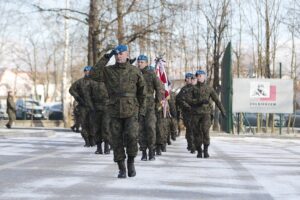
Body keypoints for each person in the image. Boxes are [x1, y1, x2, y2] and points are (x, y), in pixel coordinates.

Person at [93, 45, 146, 178]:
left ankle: (131, 162)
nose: (119, 56)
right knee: (116, 140)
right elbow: (94, 74)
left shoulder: (135, 71)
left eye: (121, 53)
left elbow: (142, 92)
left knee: (132, 137)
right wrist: (106, 57)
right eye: (116, 54)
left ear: (127, 55)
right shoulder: (108, 71)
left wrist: (142, 111)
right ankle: (121, 168)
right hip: (114, 110)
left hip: (131, 109)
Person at [183, 70, 226, 158]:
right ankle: (199, 150)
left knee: (205, 130)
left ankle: (205, 150)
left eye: (200, 76)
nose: (198, 77)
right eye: (197, 76)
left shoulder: (209, 88)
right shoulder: (193, 89)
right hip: (195, 114)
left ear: (204, 77)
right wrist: (198, 102)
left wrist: (223, 111)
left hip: (206, 113)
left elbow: (217, 100)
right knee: (197, 132)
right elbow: (188, 100)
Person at [137, 54, 162, 161]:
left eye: (142, 62)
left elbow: (160, 88)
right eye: (138, 62)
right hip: (138, 105)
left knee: (150, 127)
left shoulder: (152, 74)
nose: (139, 64)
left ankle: (151, 151)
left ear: (146, 63)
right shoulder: (135, 74)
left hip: (150, 106)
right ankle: (143, 151)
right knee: (140, 129)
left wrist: (158, 103)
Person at [69, 66, 95, 147]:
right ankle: (87, 141)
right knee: (84, 124)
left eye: (89, 71)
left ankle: (92, 140)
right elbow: (71, 89)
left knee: (93, 124)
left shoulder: (95, 82)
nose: (87, 72)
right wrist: (78, 97)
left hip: (94, 106)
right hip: (83, 106)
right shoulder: (80, 82)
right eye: (86, 71)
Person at [176, 73, 195, 153]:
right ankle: (191, 145)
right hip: (187, 112)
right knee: (190, 128)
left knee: (194, 129)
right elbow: (179, 99)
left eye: (190, 78)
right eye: (187, 78)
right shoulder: (183, 89)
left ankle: (193, 144)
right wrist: (186, 106)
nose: (188, 80)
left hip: (195, 112)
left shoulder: (195, 88)